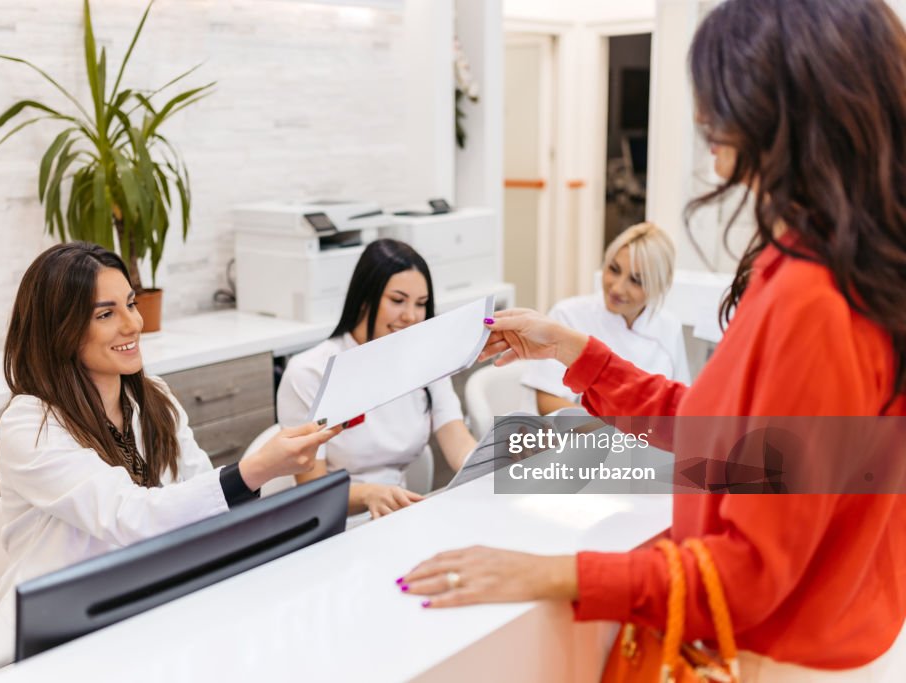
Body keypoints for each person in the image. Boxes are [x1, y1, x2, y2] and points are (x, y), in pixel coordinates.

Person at [399, 0, 906, 677]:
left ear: (781, 107)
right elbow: (717, 436)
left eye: (721, 99)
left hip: (778, 655)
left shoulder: (817, 296)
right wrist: (577, 352)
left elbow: (748, 573)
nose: (705, 124)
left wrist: (554, 574)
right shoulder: (838, 264)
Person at [0, 243, 338, 679]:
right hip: (42, 652)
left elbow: (202, 505)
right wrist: (255, 470)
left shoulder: (153, 399)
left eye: (131, 304)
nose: (133, 325)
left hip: (140, 620)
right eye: (106, 314)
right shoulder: (31, 423)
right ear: (59, 329)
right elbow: (128, 517)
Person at [277, 239, 476, 520]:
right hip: (333, 523)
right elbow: (312, 491)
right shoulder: (310, 373)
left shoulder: (428, 362)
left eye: (421, 304)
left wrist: (490, 467)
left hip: (396, 516)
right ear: (364, 298)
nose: (410, 316)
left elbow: (457, 440)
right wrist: (369, 493)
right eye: (397, 301)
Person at [520, 222, 690, 414]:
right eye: (614, 269)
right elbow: (547, 400)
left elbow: (680, 407)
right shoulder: (568, 315)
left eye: (636, 281)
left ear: (660, 286)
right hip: (574, 438)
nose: (617, 288)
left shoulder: (669, 327)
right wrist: (612, 435)